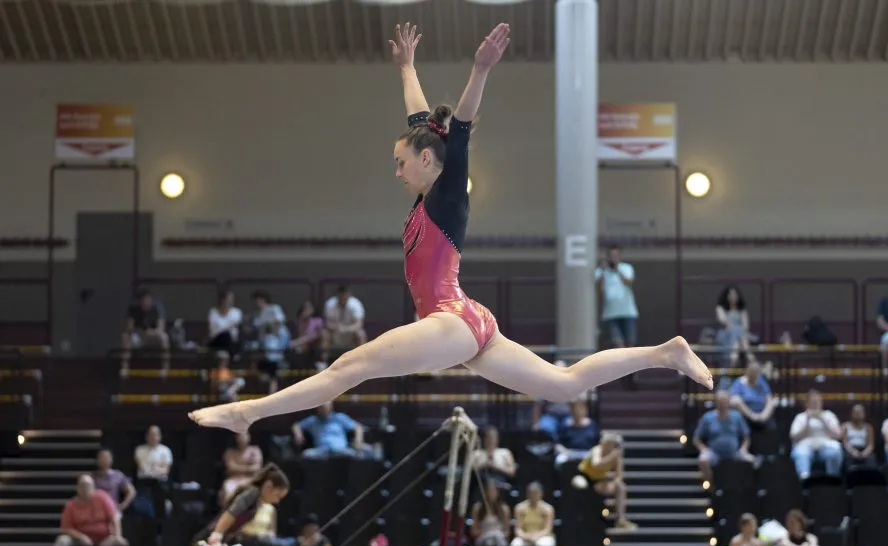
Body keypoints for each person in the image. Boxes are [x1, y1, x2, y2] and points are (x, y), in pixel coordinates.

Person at [187, 22, 712, 434]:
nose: (395, 170)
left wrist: (480, 70)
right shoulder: (428, 189)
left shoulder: (446, 192)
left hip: (451, 320)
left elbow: (455, 132)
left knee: (349, 367)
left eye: (400, 161)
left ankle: (248, 413)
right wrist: (407, 67)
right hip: (467, 320)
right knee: (564, 385)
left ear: (425, 162)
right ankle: (665, 353)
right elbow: (425, 123)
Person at [573, 432, 635, 531]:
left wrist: (614, 482)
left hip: (600, 481)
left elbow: (619, 476)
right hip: (584, 476)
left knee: (621, 487)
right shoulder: (597, 450)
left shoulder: (616, 457)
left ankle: (620, 519)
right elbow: (596, 464)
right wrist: (611, 457)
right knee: (579, 484)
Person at [595, 245, 638, 348]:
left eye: (616, 255)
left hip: (628, 312)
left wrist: (617, 269)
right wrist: (602, 270)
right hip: (610, 314)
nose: (613, 258)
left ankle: (631, 364)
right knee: (618, 344)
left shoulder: (626, 268)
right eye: (611, 256)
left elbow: (629, 281)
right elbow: (597, 287)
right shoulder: (602, 271)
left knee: (630, 343)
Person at [509, 482, 555, 546]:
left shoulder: (548, 509)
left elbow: (547, 529)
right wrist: (527, 537)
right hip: (526, 536)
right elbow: (518, 530)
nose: (533, 496)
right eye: (531, 493)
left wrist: (536, 537)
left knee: (544, 545)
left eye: (536, 493)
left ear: (541, 494)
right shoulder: (520, 508)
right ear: (527, 494)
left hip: (542, 536)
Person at [470, 478, 511, 546]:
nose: (491, 493)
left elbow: (507, 532)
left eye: (493, 491)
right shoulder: (477, 508)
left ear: (497, 493)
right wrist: (486, 532)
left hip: (499, 538)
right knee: (489, 542)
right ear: (485, 492)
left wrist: (496, 533)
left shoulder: (504, 509)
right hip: (483, 537)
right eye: (489, 491)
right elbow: (473, 531)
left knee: (495, 539)